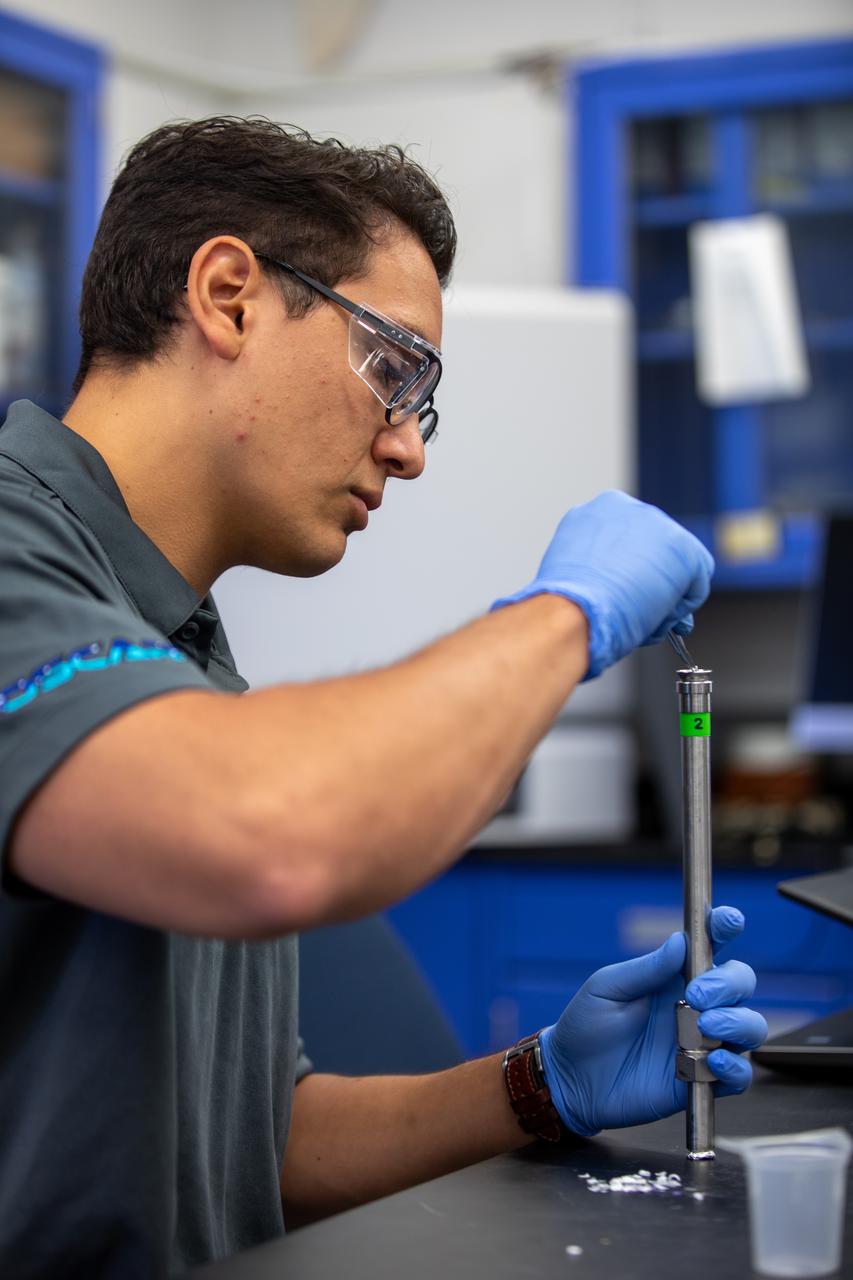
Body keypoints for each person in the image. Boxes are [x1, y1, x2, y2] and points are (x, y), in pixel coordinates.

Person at [0, 117, 766, 1278]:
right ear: (228, 296)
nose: (407, 449)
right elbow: (270, 835)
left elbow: (265, 1138)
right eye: (392, 366)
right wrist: (568, 614)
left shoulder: (180, 648)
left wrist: (539, 1084)